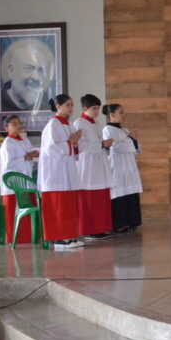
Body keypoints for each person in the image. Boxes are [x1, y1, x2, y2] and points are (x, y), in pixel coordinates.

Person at [37, 93, 83, 249]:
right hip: (55, 172)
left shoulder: (67, 124)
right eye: (67, 105)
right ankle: (58, 238)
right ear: (58, 107)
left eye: (72, 105)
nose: (71, 108)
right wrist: (71, 142)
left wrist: (74, 143)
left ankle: (69, 235)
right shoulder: (53, 125)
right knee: (58, 205)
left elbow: (71, 146)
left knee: (68, 205)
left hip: (67, 170)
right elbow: (52, 149)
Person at [74, 94, 114, 238]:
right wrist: (101, 144)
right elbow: (81, 145)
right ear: (85, 108)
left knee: (100, 197)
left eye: (97, 108)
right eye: (94, 108)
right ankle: (89, 230)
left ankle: (100, 228)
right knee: (89, 198)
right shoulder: (79, 123)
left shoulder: (96, 124)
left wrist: (105, 144)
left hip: (99, 164)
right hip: (88, 166)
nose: (96, 112)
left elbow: (99, 142)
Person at [102, 104, 143, 233]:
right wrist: (131, 138)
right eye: (121, 112)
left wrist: (133, 140)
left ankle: (132, 221)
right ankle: (120, 224)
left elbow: (134, 148)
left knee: (130, 193)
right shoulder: (107, 130)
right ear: (112, 115)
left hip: (128, 165)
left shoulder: (124, 130)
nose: (124, 115)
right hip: (117, 166)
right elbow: (116, 147)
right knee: (119, 194)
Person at [0, 114, 38, 244]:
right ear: (7, 128)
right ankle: (16, 237)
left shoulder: (25, 140)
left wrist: (32, 156)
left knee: (30, 208)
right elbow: (8, 165)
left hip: (26, 180)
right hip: (14, 183)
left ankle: (31, 236)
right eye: (14, 124)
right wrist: (25, 158)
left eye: (18, 123)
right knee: (14, 210)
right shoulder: (7, 143)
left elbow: (28, 157)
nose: (18, 125)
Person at [0, 38, 54, 112]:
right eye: (28, 68)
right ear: (11, 70)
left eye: (40, 70)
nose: (36, 77)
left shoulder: (48, 102)